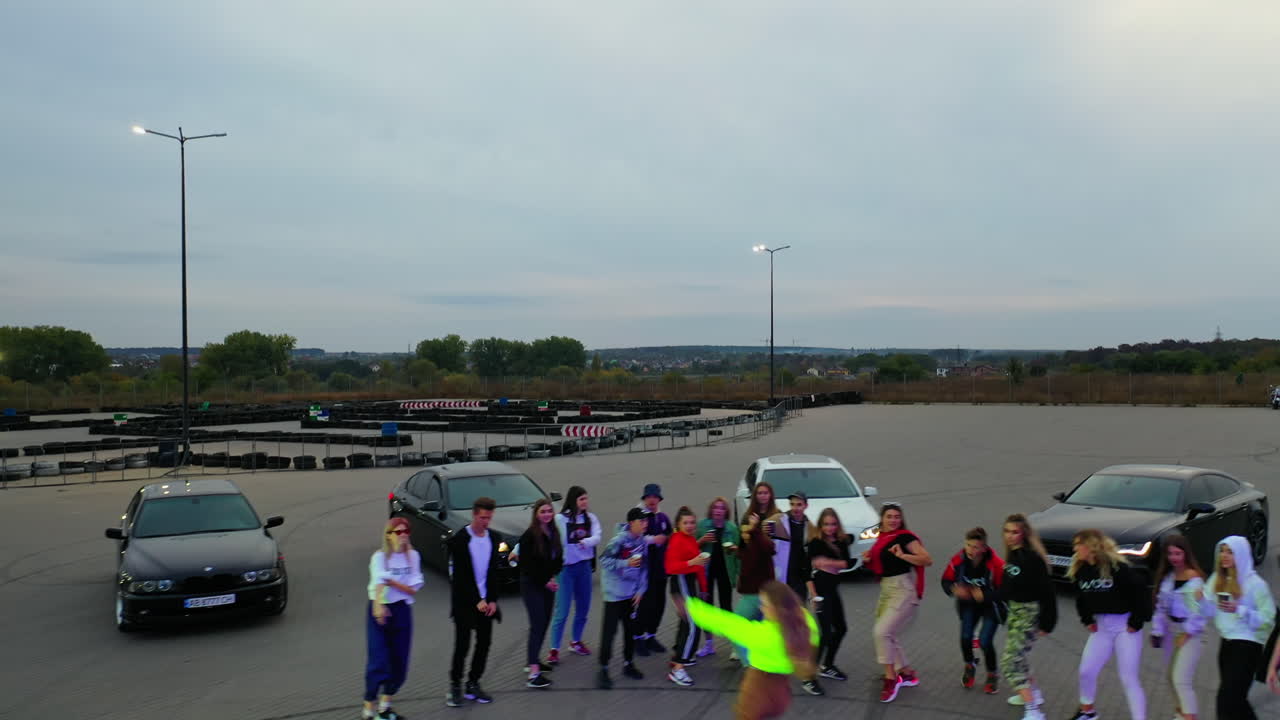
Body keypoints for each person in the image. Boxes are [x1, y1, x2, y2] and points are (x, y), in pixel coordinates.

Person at [677, 580, 819, 720]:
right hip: (782, 691)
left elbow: (728, 623)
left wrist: (692, 607)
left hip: (758, 688)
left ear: (777, 609)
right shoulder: (804, 622)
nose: (761, 608)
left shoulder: (765, 634)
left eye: (765, 605)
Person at [1065, 528, 1150, 720]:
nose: (1075, 548)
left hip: (1125, 627)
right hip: (1102, 627)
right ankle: (1088, 713)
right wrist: (1086, 619)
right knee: (1086, 670)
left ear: (1091, 546)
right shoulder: (1081, 570)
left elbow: (1140, 591)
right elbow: (1081, 598)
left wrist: (1137, 621)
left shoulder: (1116, 567)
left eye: (1079, 544)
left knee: (1128, 678)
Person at [862, 501, 931, 703]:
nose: (893, 520)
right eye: (889, 516)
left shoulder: (904, 538)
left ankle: (892, 678)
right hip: (886, 589)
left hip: (902, 589)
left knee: (881, 632)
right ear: (882, 519)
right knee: (887, 633)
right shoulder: (882, 537)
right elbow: (880, 561)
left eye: (896, 517)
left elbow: (926, 559)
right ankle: (907, 673)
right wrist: (868, 558)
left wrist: (903, 555)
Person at [1201, 535, 1276, 720]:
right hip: (1227, 644)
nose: (1224, 556)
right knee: (1235, 699)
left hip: (1248, 646)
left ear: (1241, 555)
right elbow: (1207, 611)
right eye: (1222, 551)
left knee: (1227, 698)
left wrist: (1240, 610)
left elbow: (1268, 619)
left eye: (1230, 552)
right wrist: (1200, 599)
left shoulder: (1256, 584)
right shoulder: (1218, 579)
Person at [444, 497, 503, 708]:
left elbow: (493, 573)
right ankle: (455, 685)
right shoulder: (460, 540)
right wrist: (477, 600)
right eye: (483, 517)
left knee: (484, 644)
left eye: (489, 517)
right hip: (465, 602)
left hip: (486, 602)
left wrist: (492, 600)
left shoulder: (493, 539)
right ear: (474, 515)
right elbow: (460, 578)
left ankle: (473, 682)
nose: (486, 521)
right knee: (463, 645)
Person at [362, 517, 423, 720]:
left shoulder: (413, 556)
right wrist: (379, 605)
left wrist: (391, 581)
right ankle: (369, 706)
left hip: (401, 611)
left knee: (399, 661)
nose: (403, 535)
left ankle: (385, 707)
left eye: (406, 531)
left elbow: (412, 590)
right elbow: (379, 581)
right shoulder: (380, 557)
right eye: (398, 532)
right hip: (379, 610)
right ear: (388, 535)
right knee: (379, 660)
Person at [998, 513, 1057, 720]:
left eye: (1015, 532)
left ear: (1024, 534)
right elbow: (1008, 588)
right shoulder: (1013, 555)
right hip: (1015, 612)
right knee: (1019, 656)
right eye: (1007, 531)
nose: (1010, 536)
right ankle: (1033, 695)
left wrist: (1048, 623)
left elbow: (1048, 592)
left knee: (1009, 663)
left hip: (1028, 613)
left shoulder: (1031, 558)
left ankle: (1034, 711)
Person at [940, 526, 1005, 694]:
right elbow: (945, 580)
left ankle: (992, 674)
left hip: (991, 606)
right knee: (965, 636)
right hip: (969, 604)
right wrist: (954, 589)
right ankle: (970, 664)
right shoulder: (958, 560)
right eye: (968, 545)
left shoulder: (996, 564)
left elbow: (1006, 591)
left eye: (975, 547)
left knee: (984, 641)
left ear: (984, 548)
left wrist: (985, 595)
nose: (970, 550)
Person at [1149, 535, 1207, 720]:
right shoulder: (1168, 577)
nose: (1173, 557)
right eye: (1170, 554)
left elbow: (1198, 613)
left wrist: (1187, 634)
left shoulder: (1193, 579)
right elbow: (1160, 607)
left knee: (1181, 680)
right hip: (1172, 632)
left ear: (1186, 554)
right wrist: (1157, 630)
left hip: (1192, 634)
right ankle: (1181, 713)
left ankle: (1189, 717)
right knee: (1171, 677)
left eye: (1178, 553)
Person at [547, 486, 601, 665]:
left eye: (586, 499)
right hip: (566, 570)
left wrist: (585, 542)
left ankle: (576, 641)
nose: (585, 502)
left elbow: (598, 536)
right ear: (573, 500)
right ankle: (554, 649)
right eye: (581, 499)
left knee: (583, 608)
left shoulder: (590, 518)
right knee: (562, 611)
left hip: (584, 568)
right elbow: (543, 534)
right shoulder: (560, 519)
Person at [597, 507, 650, 689]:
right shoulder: (618, 541)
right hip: (614, 596)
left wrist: (641, 590)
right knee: (609, 633)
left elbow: (644, 568)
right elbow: (604, 560)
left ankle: (628, 664)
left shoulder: (642, 541)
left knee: (630, 632)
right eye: (641, 521)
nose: (645, 524)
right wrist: (626, 562)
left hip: (630, 595)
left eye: (646, 521)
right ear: (631, 523)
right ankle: (603, 669)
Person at [515, 498, 562, 689]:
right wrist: (545, 580)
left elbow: (559, 558)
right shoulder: (529, 536)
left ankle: (532, 660)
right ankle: (533, 675)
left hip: (547, 584)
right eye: (543, 511)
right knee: (537, 624)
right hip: (532, 584)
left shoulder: (553, 533)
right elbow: (526, 565)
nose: (547, 515)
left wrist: (552, 576)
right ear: (536, 514)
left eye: (549, 511)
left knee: (544, 622)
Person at [806, 507, 855, 682]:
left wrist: (826, 563)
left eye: (833, 524)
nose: (830, 528)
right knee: (825, 633)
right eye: (826, 524)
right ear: (820, 525)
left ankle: (827, 665)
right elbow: (807, 570)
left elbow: (847, 563)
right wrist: (813, 595)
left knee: (841, 629)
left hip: (833, 590)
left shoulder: (841, 541)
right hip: (820, 593)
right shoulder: (815, 543)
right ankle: (809, 676)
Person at [665, 505, 709, 686]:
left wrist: (704, 588)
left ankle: (681, 656)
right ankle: (678, 669)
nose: (690, 526)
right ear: (678, 524)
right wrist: (693, 561)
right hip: (681, 580)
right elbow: (670, 567)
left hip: (689, 582)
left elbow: (699, 566)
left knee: (686, 622)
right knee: (692, 624)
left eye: (692, 522)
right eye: (686, 523)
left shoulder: (690, 539)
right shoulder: (676, 540)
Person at [695, 497, 741, 658]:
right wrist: (702, 540)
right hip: (706, 572)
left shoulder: (732, 528)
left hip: (725, 571)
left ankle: (734, 647)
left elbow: (738, 552)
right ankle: (708, 645)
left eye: (721, 508)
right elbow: (692, 548)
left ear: (726, 512)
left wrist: (737, 571)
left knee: (726, 608)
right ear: (711, 510)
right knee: (707, 608)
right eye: (715, 507)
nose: (718, 510)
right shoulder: (702, 526)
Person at [733, 503, 777, 666]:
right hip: (755, 594)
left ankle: (749, 663)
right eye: (743, 530)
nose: (745, 533)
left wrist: (755, 530)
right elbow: (746, 557)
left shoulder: (760, 542)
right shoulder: (749, 543)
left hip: (756, 595)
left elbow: (769, 548)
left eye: (748, 529)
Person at [635, 483, 672, 656]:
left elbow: (671, 537)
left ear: (659, 499)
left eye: (655, 497)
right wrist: (653, 539)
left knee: (659, 604)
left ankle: (651, 635)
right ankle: (638, 638)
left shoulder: (663, 517)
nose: (652, 500)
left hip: (661, 570)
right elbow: (634, 537)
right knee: (645, 605)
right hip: (645, 570)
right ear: (644, 499)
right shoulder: (641, 517)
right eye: (649, 497)